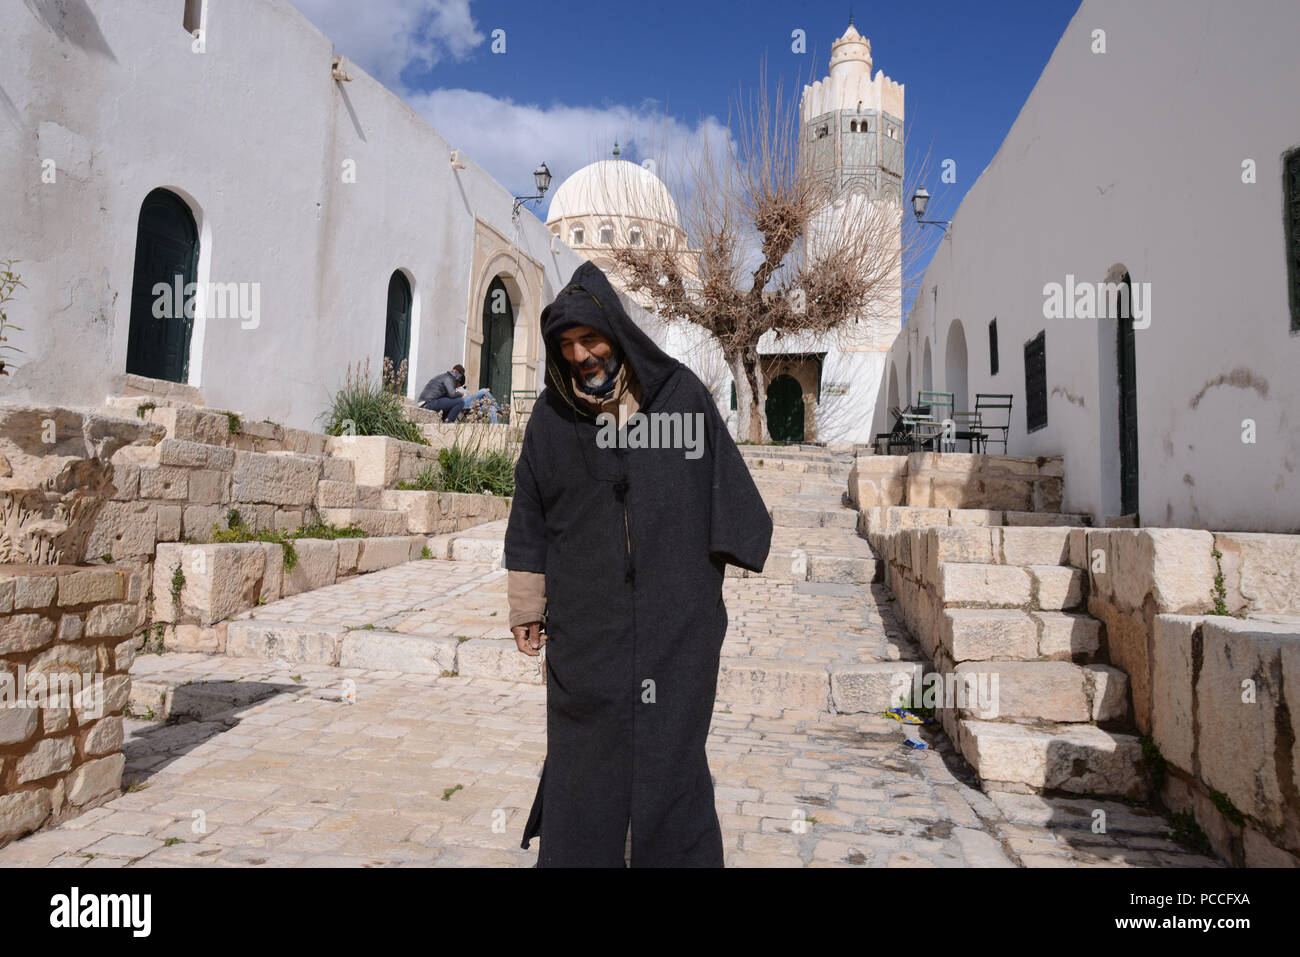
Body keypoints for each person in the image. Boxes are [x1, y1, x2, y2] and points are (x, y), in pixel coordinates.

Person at [504, 261, 772, 867]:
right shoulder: (550, 420)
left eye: (590, 339)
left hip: (677, 627)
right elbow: (529, 517)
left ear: (617, 334)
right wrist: (527, 607)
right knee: (582, 755)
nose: (580, 356)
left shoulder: (681, 398)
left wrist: (718, 563)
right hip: (585, 632)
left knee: (673, 753)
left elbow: (731, 497)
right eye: (566, 345)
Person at [417, 364, 502, 423]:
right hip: (428, 403)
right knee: (484, 391)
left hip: (434, 402)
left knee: (491, 409)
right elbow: (452, 394)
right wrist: (461, 394)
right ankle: (499, 409)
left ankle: (496, 429)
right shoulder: (448, 378)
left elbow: (447, 397)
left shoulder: (448, 379)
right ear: (454, 371)